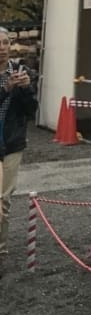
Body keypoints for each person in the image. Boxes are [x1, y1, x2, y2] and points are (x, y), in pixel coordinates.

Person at [0, 26, 37, 276]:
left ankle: (0, 252)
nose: (2, 48)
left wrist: (25, 89)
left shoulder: (21, 71)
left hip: (11, 144)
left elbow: (31, 111)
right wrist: (5, 89)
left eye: (5, 42)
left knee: (3, 200)